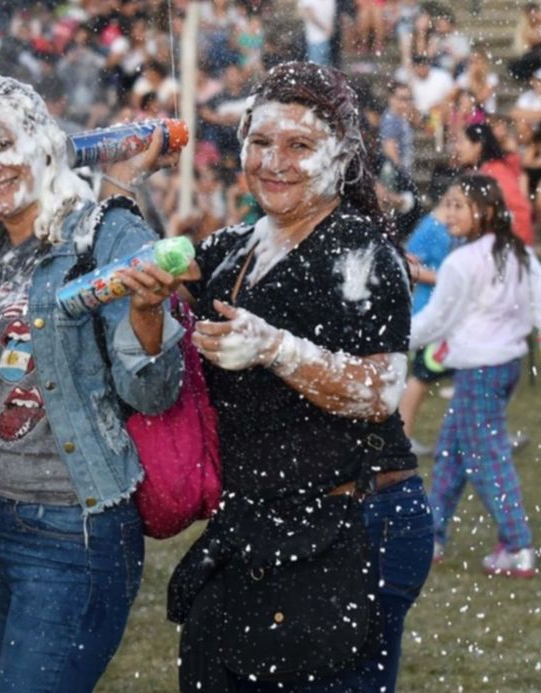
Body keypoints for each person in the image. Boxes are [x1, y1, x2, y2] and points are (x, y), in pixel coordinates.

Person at [0, 75, 185, 693]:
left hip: (70, 532)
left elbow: (154, 393)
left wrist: (146, 313)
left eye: (4, 143)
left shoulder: (107, 237)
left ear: (43, 143)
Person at [174, 61, 431, 691]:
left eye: (298, 145)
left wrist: (276, 348)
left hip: (356, 521)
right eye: (260, 142)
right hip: (261, 520)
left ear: (340, 156)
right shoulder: (234, 246)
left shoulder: (360, 251)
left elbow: (379, 391)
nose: (273, 161)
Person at [410, 173, 540, 575]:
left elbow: (435, 321)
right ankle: (429, 537)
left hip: (479, 371)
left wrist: (391, 339)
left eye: (457, 205)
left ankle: (518, 546)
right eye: (446, 203)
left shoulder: (463, 262)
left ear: (482, 211)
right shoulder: (518, 253)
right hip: (504, 368)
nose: (447, 214)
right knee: (451, 454)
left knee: (486, 457)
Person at [399, 201, 455, 454]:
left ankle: (469, 438)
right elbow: (408, 265)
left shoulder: (456, 230)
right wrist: (444, 279)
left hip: (450, 318)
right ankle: (403, 438)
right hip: (429, 317)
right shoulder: (430, 228)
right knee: (421, 377)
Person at [453, 123, 535, 245]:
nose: (457, 148)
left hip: (510, 245)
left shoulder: (494, 173)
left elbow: (520, 212)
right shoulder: (487, 171)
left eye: (462, 142)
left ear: (478, 146)